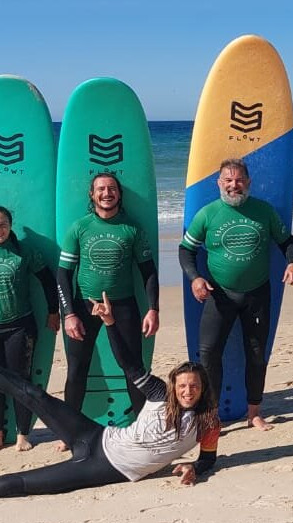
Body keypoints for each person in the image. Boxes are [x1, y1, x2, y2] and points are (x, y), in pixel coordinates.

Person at [0, 292, 220, 496]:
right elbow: (129, 364)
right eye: (182, 386)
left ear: (203, 388)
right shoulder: (160, 394)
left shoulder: (208, 422)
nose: (187, 391)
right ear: (174, 386)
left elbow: (208, 459)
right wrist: (110, 323)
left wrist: (194, 467)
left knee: (26, 483)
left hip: (103, 467)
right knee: (36, 396)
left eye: (194, 386)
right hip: (95, 435)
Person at [179, 158, 293, 429]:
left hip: (257, 295)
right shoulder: (207, 214)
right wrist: (195, 278)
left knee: (256, 354)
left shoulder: (264, 211)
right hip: (219, 294)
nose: (234, 185)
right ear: (219, 184)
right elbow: (186, 250)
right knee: (209, 353)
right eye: (228, 180)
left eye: (239, 180)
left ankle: (254, 413)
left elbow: (287, 241)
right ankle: (210, 415)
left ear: (248, 182)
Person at [58, 173, 159, 421]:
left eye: (112, 188)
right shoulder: (79, 228)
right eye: (101, 189)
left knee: (133, 369)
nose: (106, 193)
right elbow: (63, 275)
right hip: (85, 307)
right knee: (77, 370)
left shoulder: (132, 228)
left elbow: (149, 272)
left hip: (123, 306)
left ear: (119, 194)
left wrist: (153, 309)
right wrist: (69, 314)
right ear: (92, 194)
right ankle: (70, 430)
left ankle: (141, 427)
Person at [0, 206, 60, 450]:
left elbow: (47, 280)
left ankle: (23, 434)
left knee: (20, 381)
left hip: (19, 326)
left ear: (10, 225)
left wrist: (53, 312)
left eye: (3, 223)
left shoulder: (24, 251)